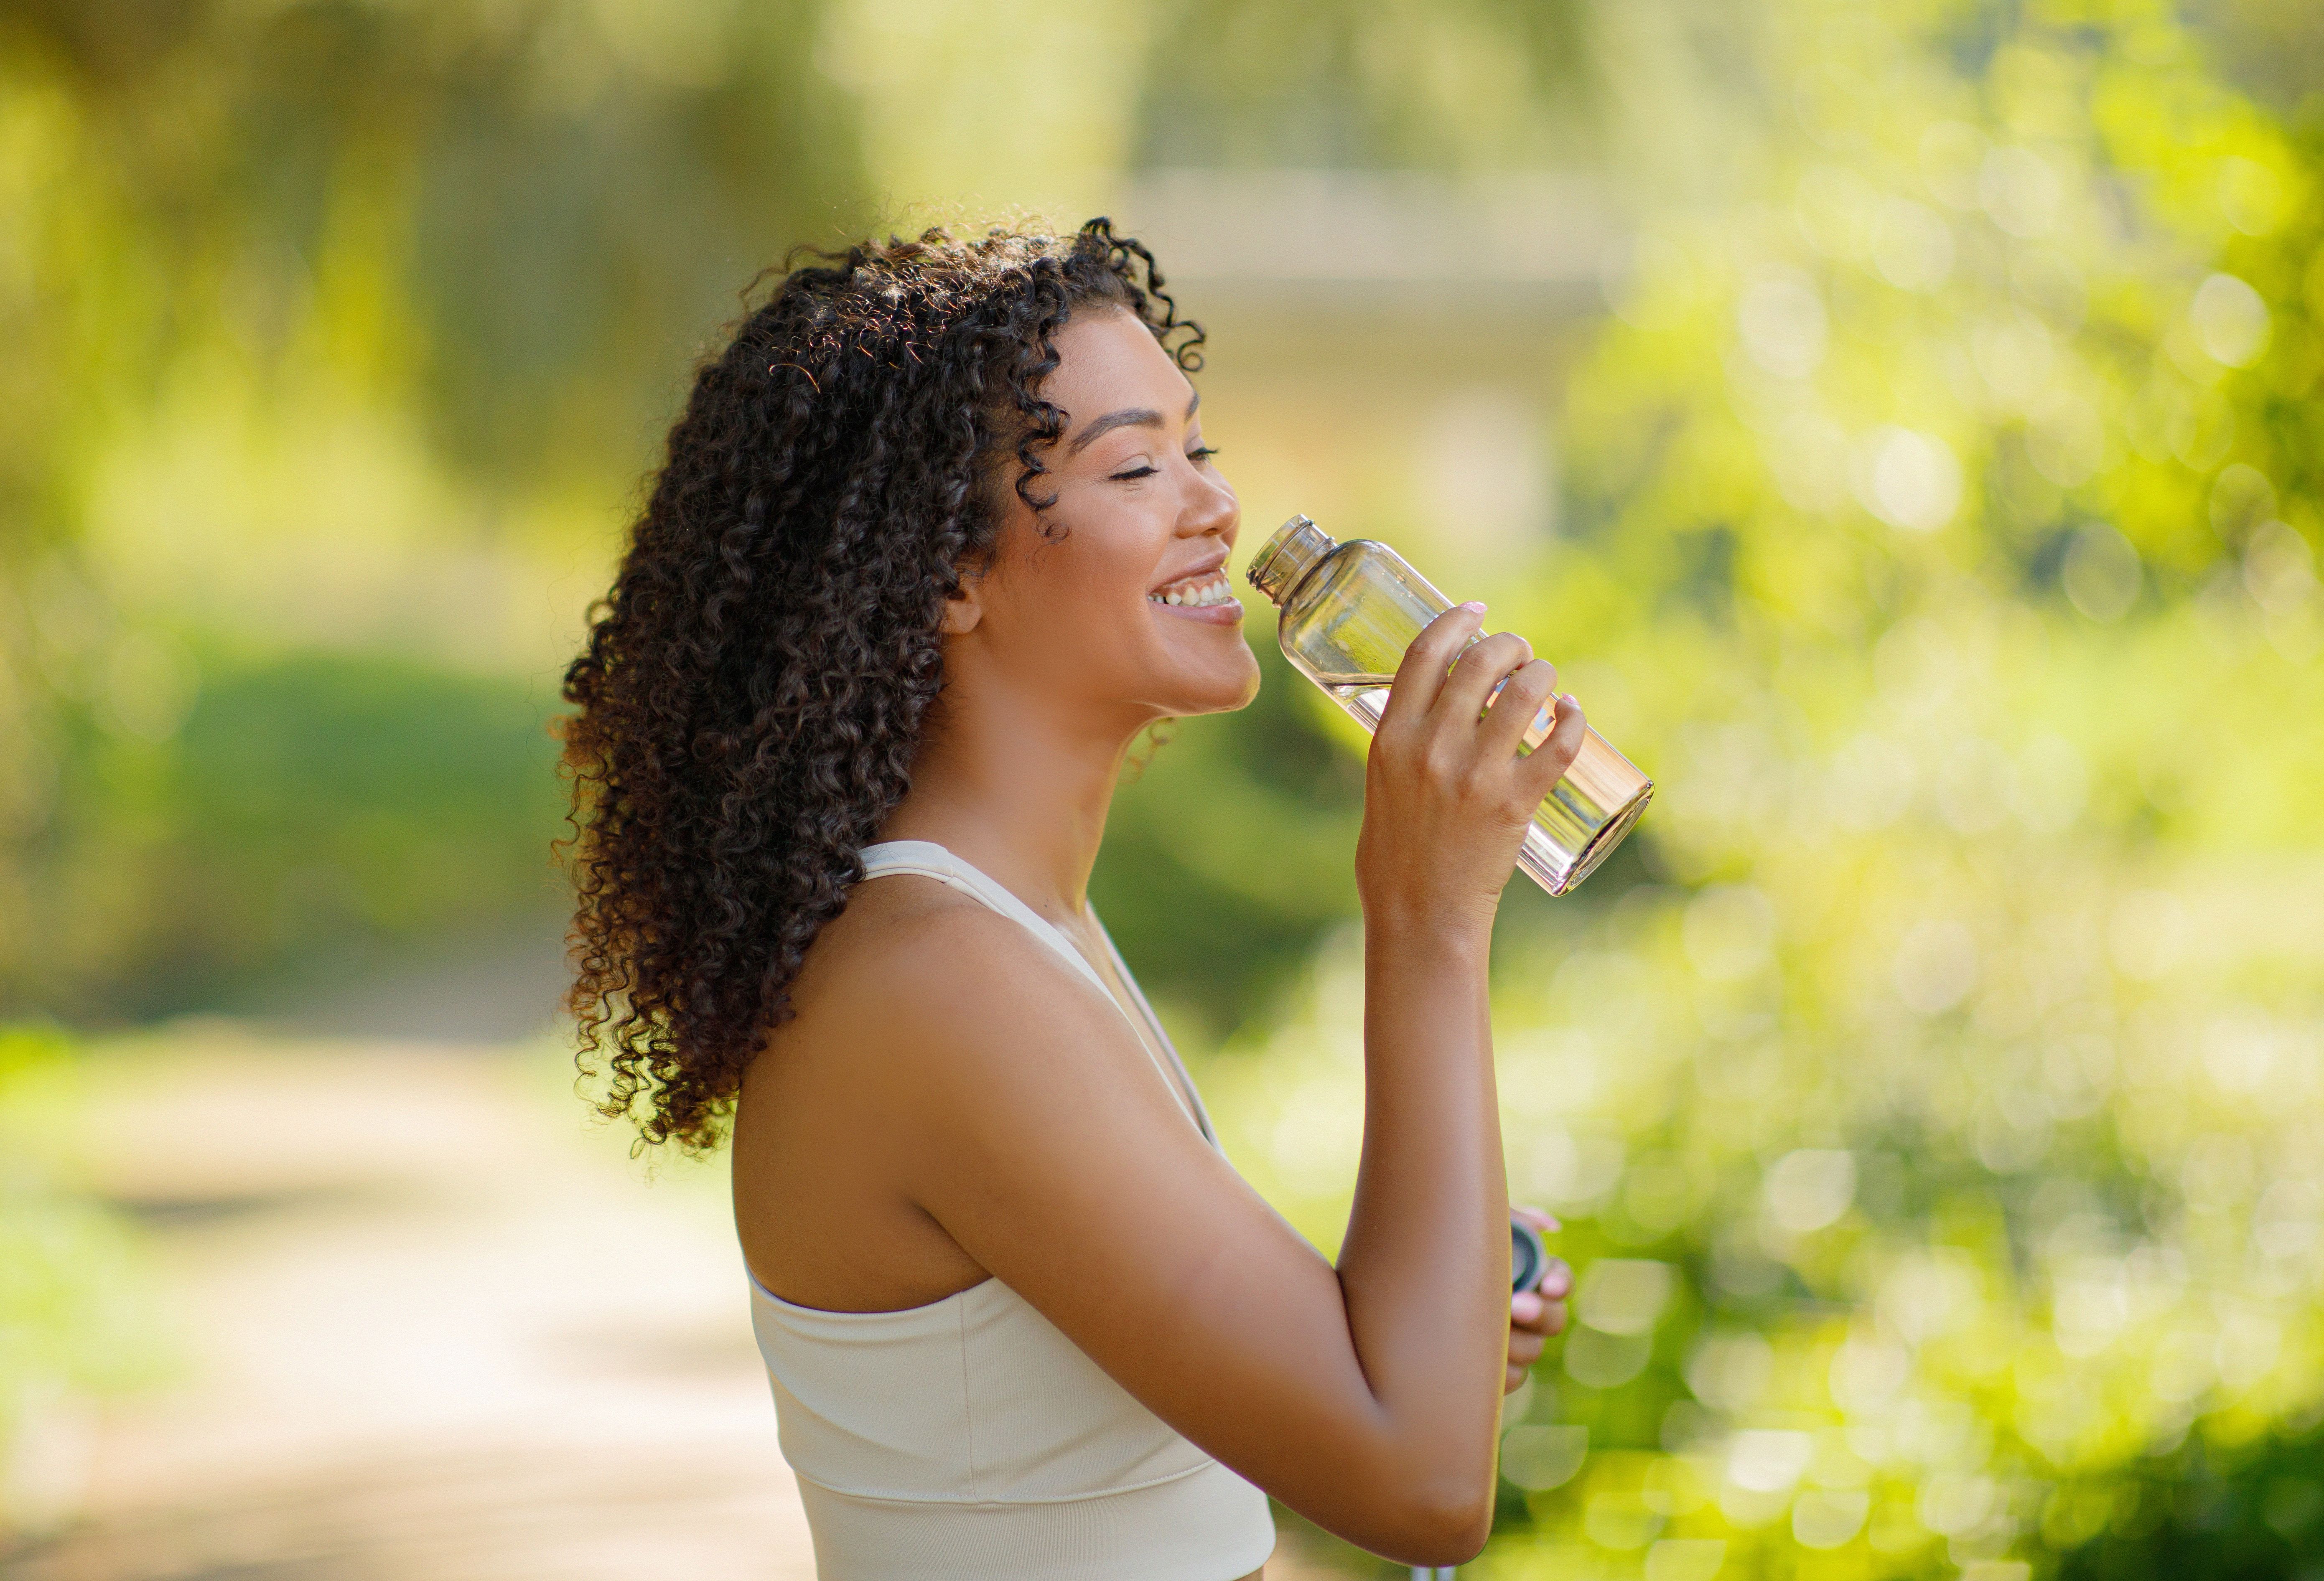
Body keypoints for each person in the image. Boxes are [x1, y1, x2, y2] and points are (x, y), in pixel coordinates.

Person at [560, 219, 1578, 1579]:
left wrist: (1433, 1321)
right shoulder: (939, 984)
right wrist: (1428, 923)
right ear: (948, 571)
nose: (1215, 505)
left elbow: (1360, 1407)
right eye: (1136, 464)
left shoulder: (1008, 933)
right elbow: (1423, 1484)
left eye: (1198, 448)